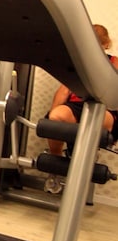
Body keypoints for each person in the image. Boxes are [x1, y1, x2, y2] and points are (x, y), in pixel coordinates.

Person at [44, 23, 118, 194]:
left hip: (106, 108)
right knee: (56, 117)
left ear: (106, 45)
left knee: (98, 123)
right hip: (77, 105)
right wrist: (49, 123)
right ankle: (56, 164)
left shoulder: (115, 63)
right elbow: (64, 90)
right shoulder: (79, 64)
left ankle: (85, 157)